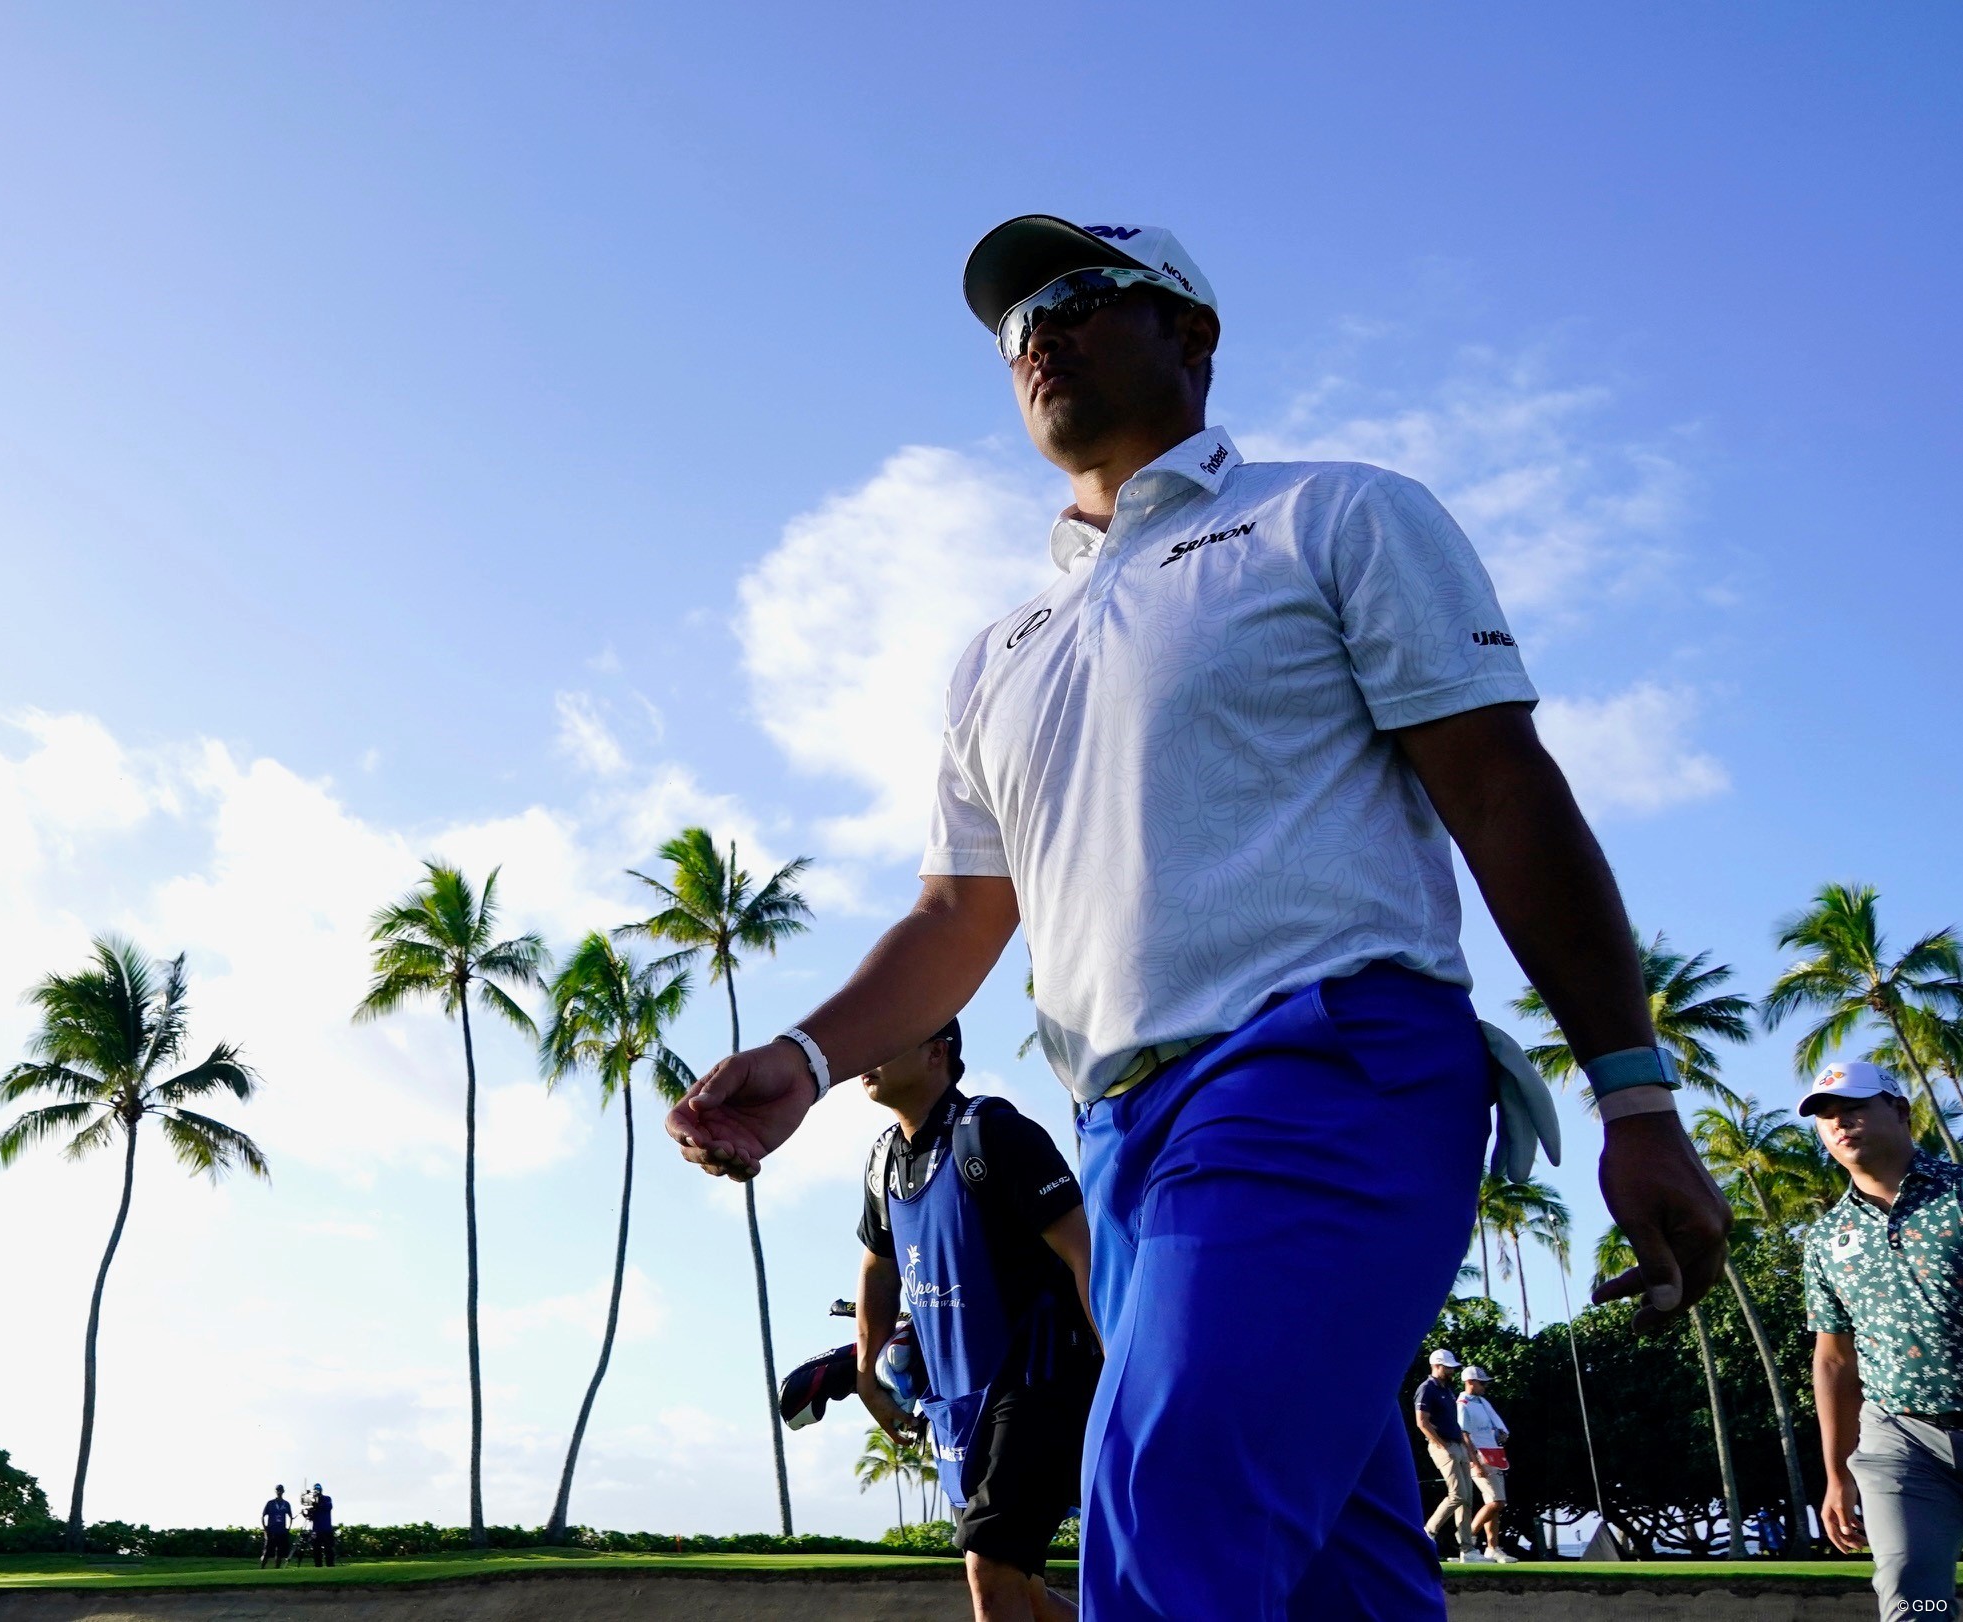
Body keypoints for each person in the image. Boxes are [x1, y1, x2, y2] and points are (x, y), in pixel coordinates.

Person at [666, 212, 1730, 1619]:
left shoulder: (1334, 514)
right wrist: (803, 1060)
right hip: (1126, 1139)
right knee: (1334, 1577)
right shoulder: (995, 656)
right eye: (1012, 322)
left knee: (1167, 1505)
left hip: (1327, 1068)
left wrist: (1637, 1096)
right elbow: (956, 913)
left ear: (1193, 331)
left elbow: (1503, 792)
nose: (1038, 329)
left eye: (1083, 292)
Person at [853, 1019, 1098, 1622]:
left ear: (938, 1052)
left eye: (887, 1038)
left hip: (1040, 1382)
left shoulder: (994, 1134)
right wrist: (865, 1370)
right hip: (957, 1403)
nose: (867, 1053)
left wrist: (1123, 1370)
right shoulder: (884, 1159)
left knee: (989, 1564)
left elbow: (1084, 1251)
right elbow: (878, 1270)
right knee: (1024, 1590)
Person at [1803, 1060, 1963, 1620]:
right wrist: (1837, 1472)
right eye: (1826, 1116)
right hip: (1900, 1439)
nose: (1839, 1123)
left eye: (1854, 1108)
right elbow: (1834, 1360)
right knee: (1912, 1595)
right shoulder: (1826, 1237)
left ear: (1899, 1111)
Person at [1413, 1350, 1478, 1557]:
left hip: (1458, 1445)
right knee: (1457, 1494)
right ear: (1437, 1366)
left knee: (1467, 1498)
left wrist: (1466, 1448)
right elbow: (1421, 1422)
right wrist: (1441, 1445)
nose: (1451, 1370)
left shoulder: (1447, 1390)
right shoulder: (1427, 1389)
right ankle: (1428, 1531)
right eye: (1448, 1367)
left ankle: (1467, 1549)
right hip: (1443, 1446)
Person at [1457, 1368, 1516, 1562]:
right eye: (1482, 1383)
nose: (1485, 1386)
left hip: (1494, 1454)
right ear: (1470, 1382)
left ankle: (1492, 1547)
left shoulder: (1482, 1402)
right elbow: (1464, 1435)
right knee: (1497, 1502)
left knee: (1494, 1504)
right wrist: (1475, 1463)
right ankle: (1467, 1536)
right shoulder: (1463, 1404)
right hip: (1480, 1457)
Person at [259, 1484, 294, 1568]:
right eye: (278, 1490)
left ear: (283, 1491)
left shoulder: (286, 1504)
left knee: (279, 1553)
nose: (279, 1492)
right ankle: (262, 1568)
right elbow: (263, 1516)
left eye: (281, 1490)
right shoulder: (270, 1503)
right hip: (271, 1531)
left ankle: (276, 1570)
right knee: (267, 1552)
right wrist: (265, 1530)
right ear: (275, 1491)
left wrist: (288, 1529)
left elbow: (291, 1517)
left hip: (281, 1532)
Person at [303, 1482, 336, 1568]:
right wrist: (306, 1514)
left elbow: (328, 1507)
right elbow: (311, 1517)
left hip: (326, 1528)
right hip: (316, 1530)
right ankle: (318, 1566)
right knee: (316, 1550)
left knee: (329, 1549)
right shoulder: (312, 1502)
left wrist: (317, 1504)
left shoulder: (327, 1498)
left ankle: (330, 1565)